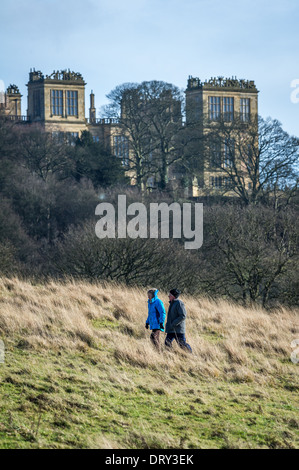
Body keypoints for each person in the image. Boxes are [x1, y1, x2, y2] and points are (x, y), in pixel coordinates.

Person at [165, 289, 192, 353]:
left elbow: (183, 316)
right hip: (171, 329)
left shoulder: (179, 303)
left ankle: (190, 354)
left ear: (174, 296)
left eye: (170, 295)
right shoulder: (171, 303)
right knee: (167, 343)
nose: (168, 296)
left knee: (182, 344)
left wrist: (173, 323)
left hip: (178, 329)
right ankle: (170, 355)